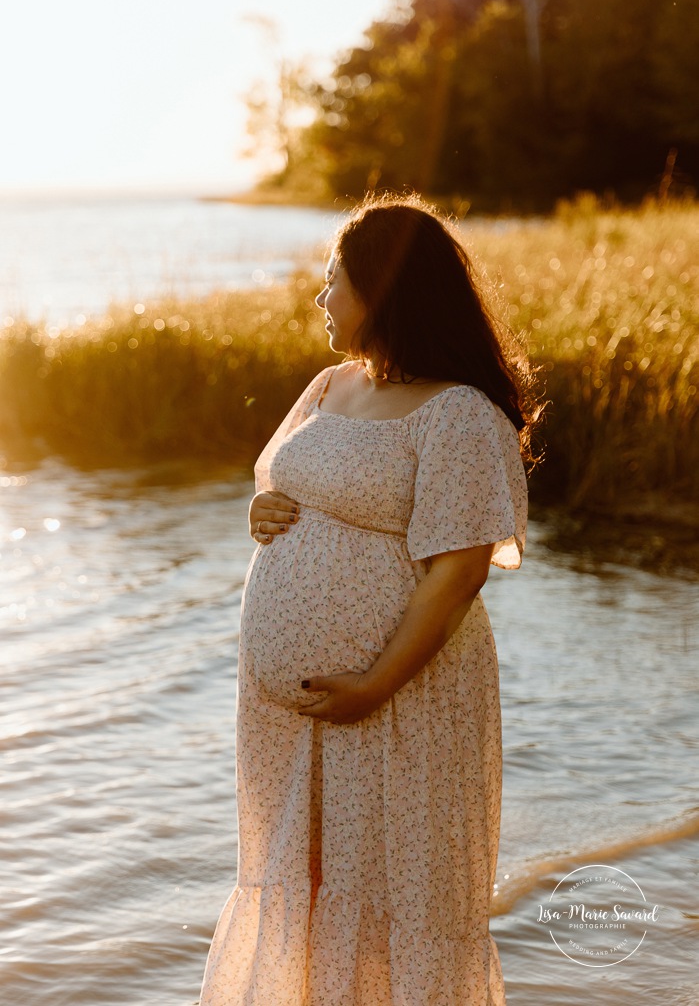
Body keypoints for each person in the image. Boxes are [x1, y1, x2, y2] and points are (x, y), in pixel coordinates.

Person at [199, 194, 538, 1006]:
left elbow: (459, 572)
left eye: (332, 282)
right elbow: (280, 481)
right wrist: (261, 513)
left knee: (393, 888)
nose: (320, 299)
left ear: (382, 292)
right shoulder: (328, 385)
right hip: (286, 719)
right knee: (305, 878)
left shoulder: (457, 414)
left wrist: (376, 683)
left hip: (399, 701)